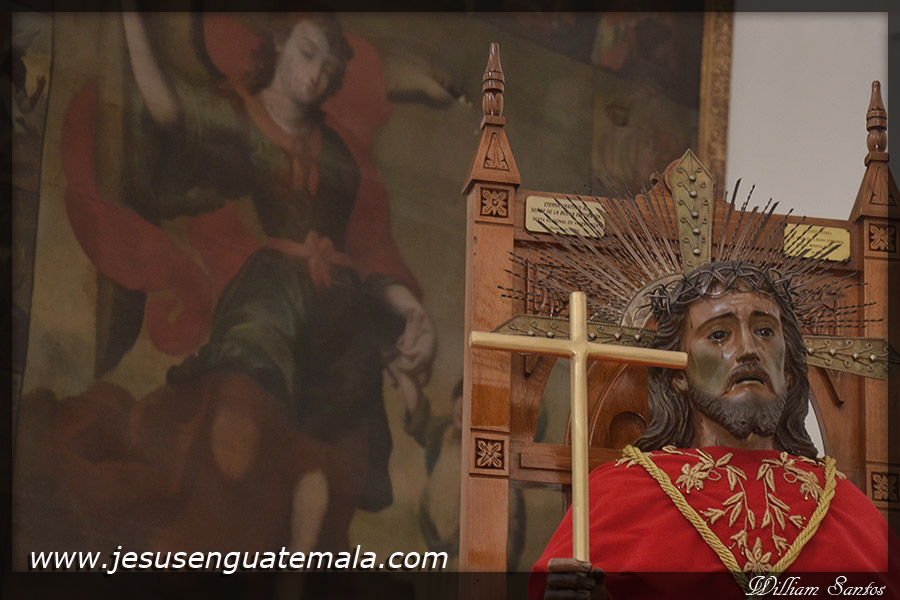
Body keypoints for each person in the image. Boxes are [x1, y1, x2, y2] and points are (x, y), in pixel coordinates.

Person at [49, 11, 434, 558]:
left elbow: (368, 250)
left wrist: (410, 310)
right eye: (307, 53)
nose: (316, 75)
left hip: (337, 313)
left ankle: (292, 580)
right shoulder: (239, 117)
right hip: (272, 302)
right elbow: (166, 106)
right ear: (279, 43)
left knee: (326, 460)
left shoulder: (337, 150)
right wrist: (133, 18)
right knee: (240, 425)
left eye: (329, 68)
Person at [531, 261, 899, 600]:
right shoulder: (617, 496)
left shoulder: (847, 508)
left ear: (788, 370)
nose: (749, 349)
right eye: (719, 334)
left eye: (765, 331)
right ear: (678, 374)